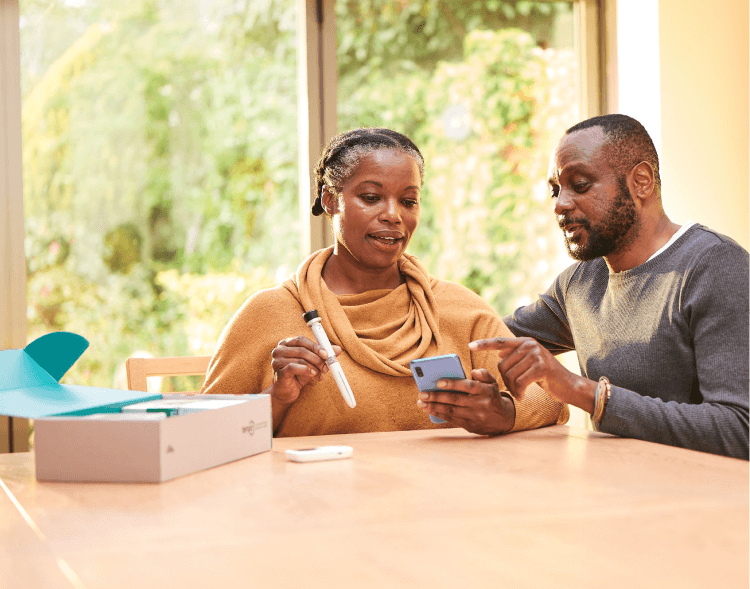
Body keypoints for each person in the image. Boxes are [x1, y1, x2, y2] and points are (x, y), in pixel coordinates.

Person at [420, 114, 749, 459]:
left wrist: (582, 391)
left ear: (641, 182)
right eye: (555, 190)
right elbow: (489, 339)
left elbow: (741, 429)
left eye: (579, 184)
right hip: (618, 493)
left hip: (708, 502)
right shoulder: (580, 283)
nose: (560, 204)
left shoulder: (716, 267)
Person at [201, 128, 567, 437]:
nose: (393, 216)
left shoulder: (459, 309)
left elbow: (551, 398)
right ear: (331, 201)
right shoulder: (270, 314)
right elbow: (202, 436)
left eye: (409, 201)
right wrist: (277, 397)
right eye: (371, 198)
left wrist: (502, 412)